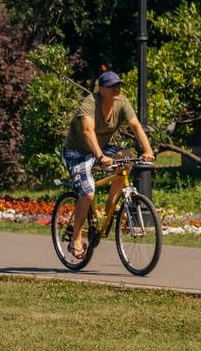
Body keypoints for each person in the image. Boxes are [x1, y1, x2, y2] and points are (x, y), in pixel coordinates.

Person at [62, 69, 154, 260]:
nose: (116, 88)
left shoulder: (122, 102)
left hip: (101, 148)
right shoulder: (90, 103)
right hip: (77, 151)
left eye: (118, 85)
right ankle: (76, 239)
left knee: (126, 156)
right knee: (87, 193)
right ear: (101, 89)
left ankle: (108, 209)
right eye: (112, 86)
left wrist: (147, 150)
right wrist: (100, 156)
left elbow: (136, 126)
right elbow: (88, 131)